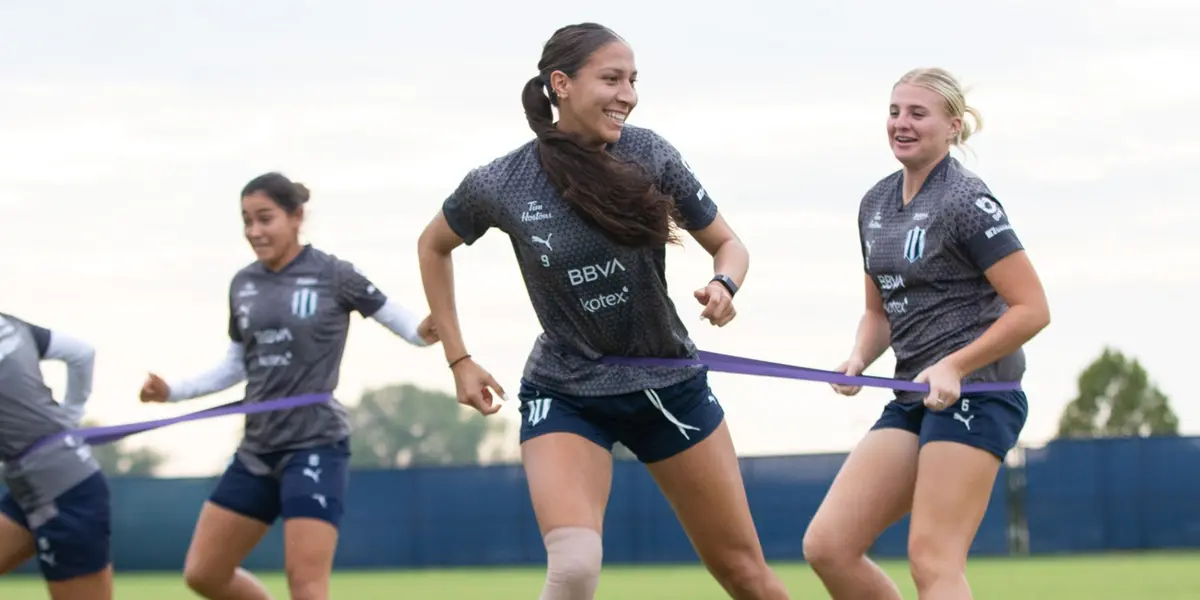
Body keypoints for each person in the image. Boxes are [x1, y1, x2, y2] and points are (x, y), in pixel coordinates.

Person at [416, 22, 791, 600]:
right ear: (561, 84)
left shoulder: (649, 153)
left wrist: (724, 284)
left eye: (633, 81)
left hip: (666, 383)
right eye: (611, 79)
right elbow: (432, 245)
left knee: (745, 575)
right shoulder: (502, 182)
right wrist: (458, 358)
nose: (628, 95)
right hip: (565, 387)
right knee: (573, 567)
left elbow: (730, 245)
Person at [801, 67, 1052, 599]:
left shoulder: (966, 199)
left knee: (933, 562)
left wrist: (956, 365)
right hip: (914, 396)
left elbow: (1032, 309)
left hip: (978, 393)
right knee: (828, 546)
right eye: (894, 111)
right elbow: (880, 312)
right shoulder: (874, 203)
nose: (901, 123)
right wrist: (857, 359)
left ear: (953, 127)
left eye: (918, 113)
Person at [138, 172, 438, 600]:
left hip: (315, 445)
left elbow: (404, 322)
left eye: (265, 218)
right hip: (256, 451)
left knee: (307, 588)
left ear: (296, 217)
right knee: (203, 574)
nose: (254, 231)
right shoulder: (243, 284)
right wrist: (171, 390)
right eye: (246, 221)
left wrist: (428, 327)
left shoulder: (335, 275)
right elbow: (235, 365)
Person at [0, 312, 112, 600]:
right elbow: (81, 352)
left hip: (63, 494)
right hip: (35, 487)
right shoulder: (11, 324)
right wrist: (71, 415)